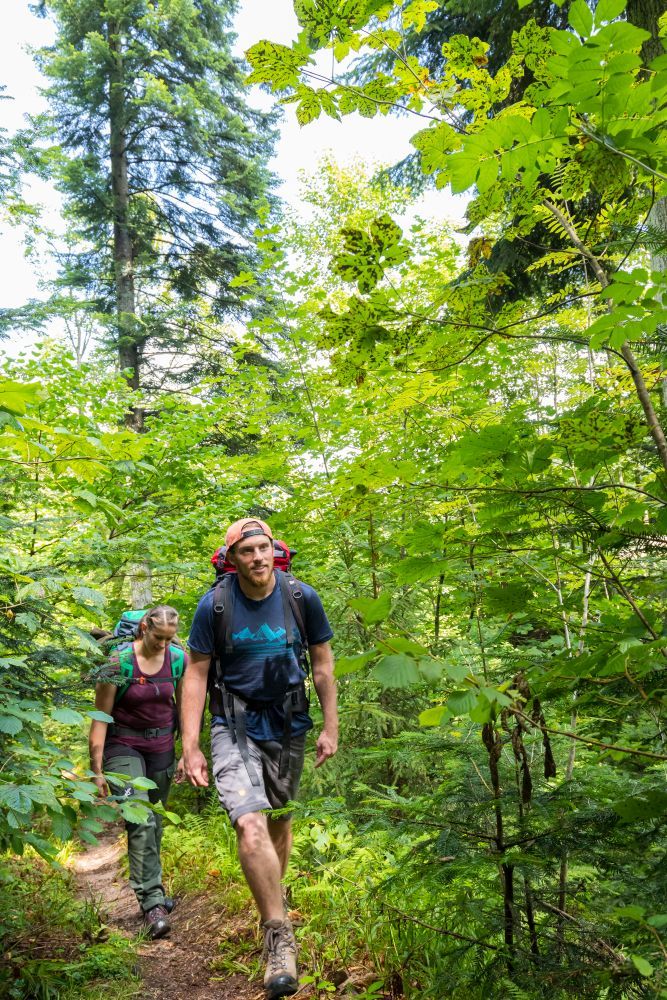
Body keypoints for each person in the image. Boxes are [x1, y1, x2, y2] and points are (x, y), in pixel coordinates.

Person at [181, 518, 338, 999]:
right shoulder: (216, 605)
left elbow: (323, 662)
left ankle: (271, 900)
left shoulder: (300, 597)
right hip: (234, 724)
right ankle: (278, 938)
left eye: (263, 548)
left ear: (276, 550)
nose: (257, 558)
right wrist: (191, 745)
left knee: (279, 822)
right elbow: (195, 675)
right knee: (249, 821)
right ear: (232, 558)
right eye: (246, 551)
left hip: (289, 721)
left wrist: (331, 726)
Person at [88, 605, 186, 940]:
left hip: (161, 748)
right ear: (144, 628)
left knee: (155, 821)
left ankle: (152, 888)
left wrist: (189, 752)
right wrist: (96, 769)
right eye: (159, 638)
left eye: (169, 639)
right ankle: (152, 903)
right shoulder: (117, 663)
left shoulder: (177, 659)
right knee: (140, 818)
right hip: (122, 747)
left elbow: (186, 708)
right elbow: (100, 717)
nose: (163, 645)